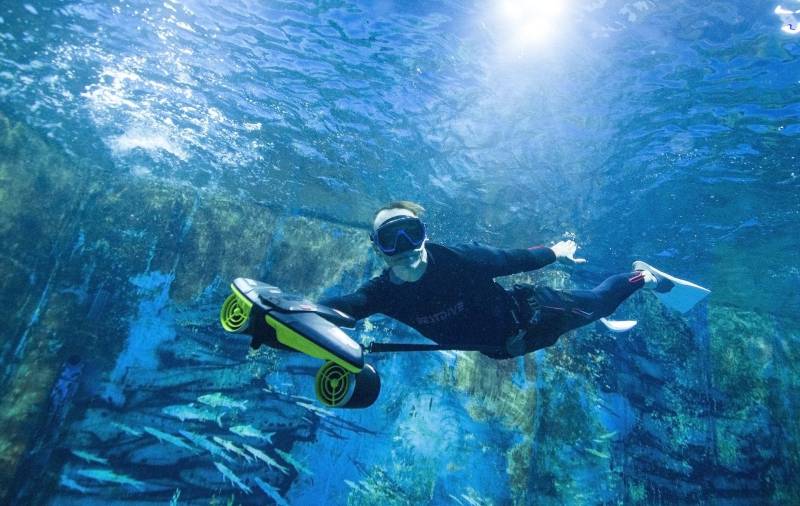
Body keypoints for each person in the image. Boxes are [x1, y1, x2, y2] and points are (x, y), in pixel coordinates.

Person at [319, 201, 709, 359]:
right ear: (377, 249)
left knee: (598, 302)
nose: (405, 246)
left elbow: (514, 260)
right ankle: (595, 315)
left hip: (532, 315)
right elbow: (341, 309)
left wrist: (557, 251)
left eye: (411, 233)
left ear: (424, 233)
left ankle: (644, 276)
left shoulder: (458, 259)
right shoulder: (384, 295)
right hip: (501, 349)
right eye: (391, 239)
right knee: (589, 310)